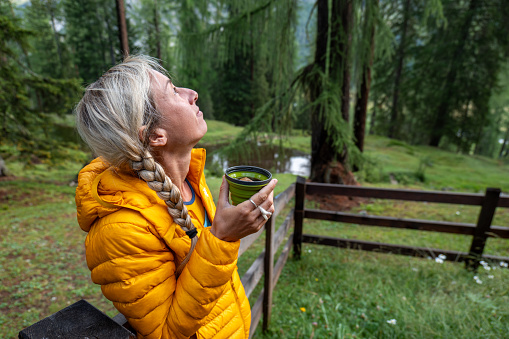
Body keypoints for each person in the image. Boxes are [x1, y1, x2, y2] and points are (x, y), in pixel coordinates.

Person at [74, 55, 277, 339]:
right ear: (156, 135)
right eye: (172, 91)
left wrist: (238, 224)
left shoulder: (189, 180)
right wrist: (222, 238)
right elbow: (167, 333)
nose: (192, 94)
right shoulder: (121, 230)